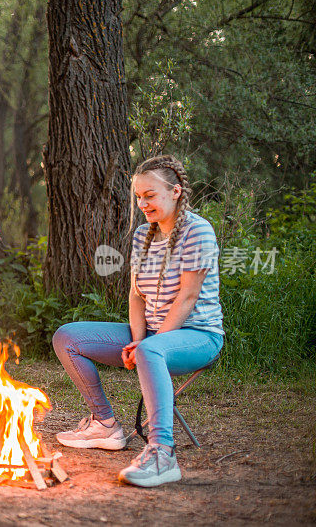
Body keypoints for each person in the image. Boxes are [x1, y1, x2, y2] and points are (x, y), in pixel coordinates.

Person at [52, 155, 223, 487]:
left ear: (175, 192)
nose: (143, 203)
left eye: (150, 195)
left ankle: (162, 454)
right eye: (139, 196)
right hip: (152, 336)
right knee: (67, 337)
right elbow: (135, 296)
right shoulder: (143, 235)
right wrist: (137, 338)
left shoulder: (198, 231)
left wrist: (147, 346)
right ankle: (104, 424)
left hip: (198, 335)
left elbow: (187, 297)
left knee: (150, 352)